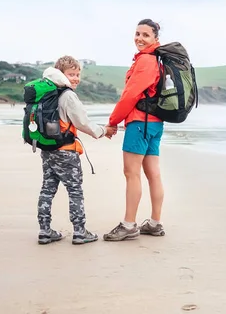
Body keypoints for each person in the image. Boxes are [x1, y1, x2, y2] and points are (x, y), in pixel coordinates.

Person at [37, 55, 117, 245]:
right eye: (71, 74)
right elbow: (82, 122)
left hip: (47, 150)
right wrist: (103, 131)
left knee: (47, 190)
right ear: (61, 74)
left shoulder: (46, 93)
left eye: (78, 74)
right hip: (66, 152)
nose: (75, 78)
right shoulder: (67, 95)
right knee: (75, 191)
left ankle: (44, 230)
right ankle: (80, 232)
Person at [103, 19, 166, 241]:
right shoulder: (158, 61)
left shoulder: (147, 61)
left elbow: (130, 95)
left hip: (140, 123)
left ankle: (129, 225)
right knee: (153, 174)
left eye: (145, 35)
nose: (139, 38)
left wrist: (113, 121)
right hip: (155, 123)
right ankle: (155, 223)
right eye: (137, 33)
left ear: (155, 39)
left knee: (132, 174)